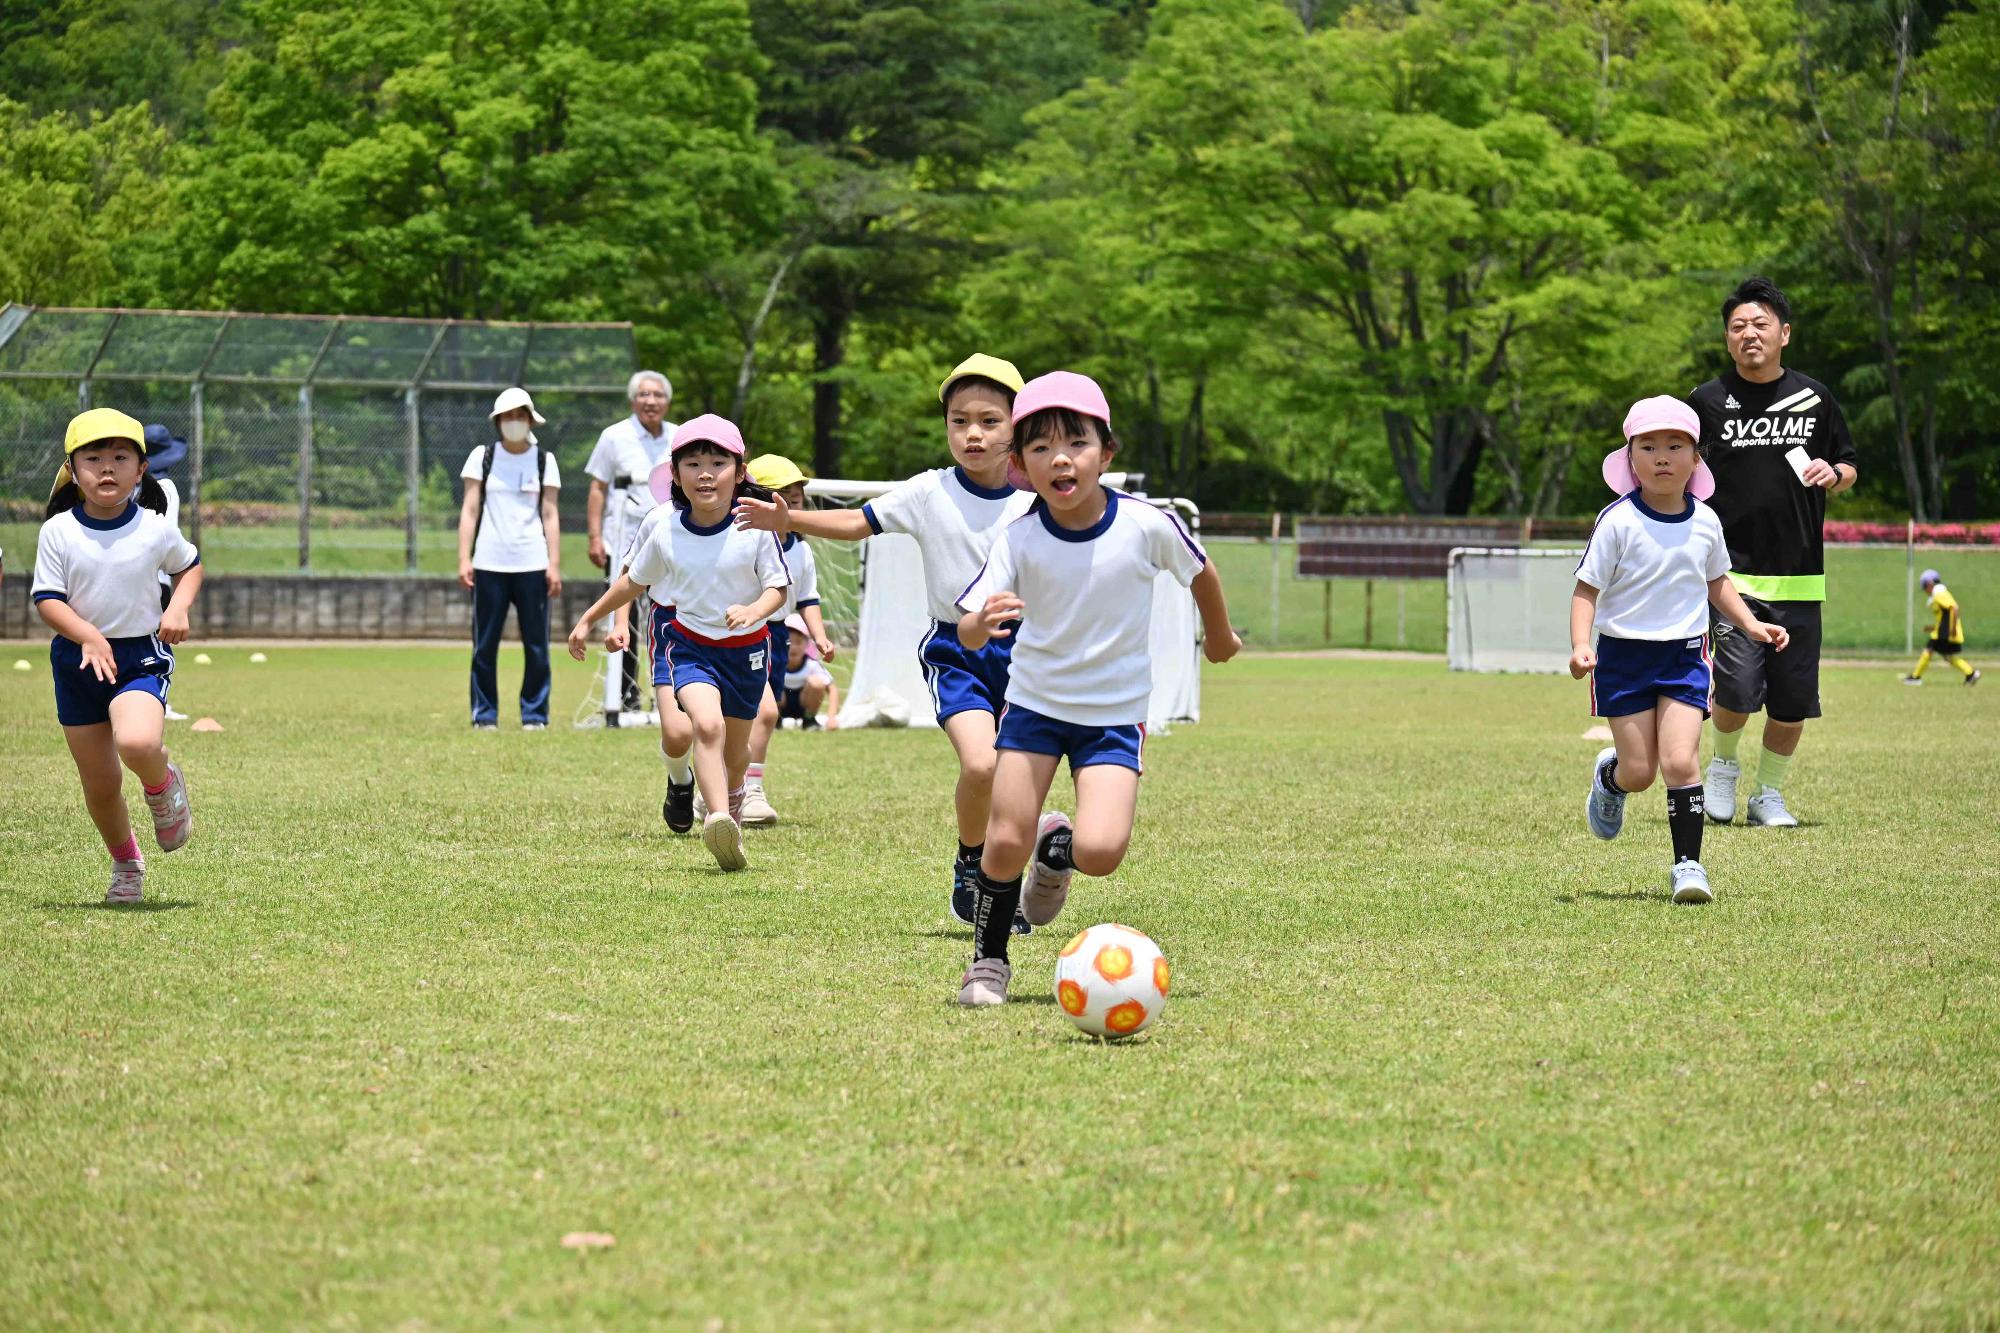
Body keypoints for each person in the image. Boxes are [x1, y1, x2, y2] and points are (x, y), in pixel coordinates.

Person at [952, 372, 1240, 1006]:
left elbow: (1201, 571)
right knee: (1002, 841)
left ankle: (1058, 851)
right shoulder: (1019, 537)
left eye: (1076, 442)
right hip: (1033, 710)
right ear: (1021, 464)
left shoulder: (1146, 525)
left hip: (1112, 717)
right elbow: (970, 628)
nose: (1060, 458)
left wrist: (1218, 636)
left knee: (1103, 851)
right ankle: (988, 961)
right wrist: (977, 623)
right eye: (1040, 447)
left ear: (1106, 453)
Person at [735, 354, 1038, 930]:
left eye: (990, 421)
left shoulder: (1038, 499)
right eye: (958, 420)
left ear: (1018, 426)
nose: (972, 433)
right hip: (958, 653)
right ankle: (970, 871)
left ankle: (1005, 884)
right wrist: (791, 522)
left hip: (1030, 655)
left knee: (1018, 779)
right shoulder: (929, 491)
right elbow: (858, 523)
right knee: (981, 765)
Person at [1569, 397, 1791, 905]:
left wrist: (1753, 624)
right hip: (1624, 660)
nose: (1662, 457)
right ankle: (1610, 778)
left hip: (1686, 658)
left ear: (1696, 459)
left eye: (1675, 446)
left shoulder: (1707, 522)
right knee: (1640, 772)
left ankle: (1689, 867)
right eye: (1648, 447)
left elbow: (1717, 583)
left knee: (1681, 762)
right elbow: (1587, 589)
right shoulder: (1617, 521)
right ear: (1630, 459)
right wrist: (1582, 646)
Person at [566, 415, 789, 872]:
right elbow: (632, 582)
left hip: (746, 650)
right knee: (704, 727)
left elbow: (778, 588)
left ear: (740, 472)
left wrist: (755, 611)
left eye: (717, 462)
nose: (705, 472)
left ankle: (731, 803)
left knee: (735, 750)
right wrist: (591, 616)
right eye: (692, 463)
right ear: (675, 475)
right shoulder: (665, 527)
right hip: (689, 645)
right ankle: (720, 819)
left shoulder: (756, 526)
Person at [1688, 277, 1858, 828]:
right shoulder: (1706, 402)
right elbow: (1674, 469)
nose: (1748, 334)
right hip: (1730, 577)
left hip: (1802, 578)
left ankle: (1768, 795)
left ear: (1784, 333)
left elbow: (1849, 464)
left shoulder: (1815, 397)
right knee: (1735, 689)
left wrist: (1834, 473)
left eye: (1760, 324)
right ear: (1727, 338)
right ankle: (1722, 767)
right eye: (1738, 327)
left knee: (1792, 701)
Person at [31, 408, 203, 905]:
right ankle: (126, 863)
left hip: (136, 657)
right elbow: (48, 599)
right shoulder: (57, 531)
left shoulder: (153, 528)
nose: (107, 468)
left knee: (139, 742)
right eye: (94, 457)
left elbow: (188, 567)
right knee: (101, 783)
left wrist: (180, 607)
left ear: (141, 469)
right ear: (73, 467)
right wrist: (86, 635)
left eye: (120, 457)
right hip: (78, 661)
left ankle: (163, 786)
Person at [724, 453, 837, 826]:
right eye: (783, 493)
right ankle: (750, 791)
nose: (793, 500)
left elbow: (807, 599)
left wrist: (819, 637)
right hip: (743, 635)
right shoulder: (745, 540)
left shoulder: (802, 551)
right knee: (764, 712)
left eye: (797, 493)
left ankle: (723, 787)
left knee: (747, 720)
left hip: (776, 635)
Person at [458, 387, 562, 730]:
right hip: (489, 563)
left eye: (521, 416)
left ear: (531, 420)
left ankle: (535, 715)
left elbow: (550, 514)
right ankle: (484, 715)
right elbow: (470, 510)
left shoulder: (544, 460)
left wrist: (554, 563)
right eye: (508, 416)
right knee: (483, 646)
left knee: (537, 646)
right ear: (497, 421)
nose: (514, 422)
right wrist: (464, 558)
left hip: (533, 564)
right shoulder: (482, 457)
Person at [585, 371, 678, 715]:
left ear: (667, 401)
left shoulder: (680, 436)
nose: (650, 401)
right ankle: (625, 699)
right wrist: (595, 537)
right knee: (624, 622)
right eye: (643, 394)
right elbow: (598, 488)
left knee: (669, 616)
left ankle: (670, 693)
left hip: (672, 542)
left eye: (657, 395)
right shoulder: (614, 436)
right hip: (623, 542)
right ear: (631, 400)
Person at [143, 424, 192, 720]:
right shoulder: (167, 487)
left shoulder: (131, 488)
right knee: (156, 643)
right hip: (159, 576)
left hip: (125, 574)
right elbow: (169, 536)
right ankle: (157, 701)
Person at [1904, 569, 1980, 686]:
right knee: (1947, 656)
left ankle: (1915, 677)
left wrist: (1953, 629)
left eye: (1924, 586)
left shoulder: (1939, 593)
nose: (1925, 590)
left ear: (1930, 583)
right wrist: (1934, 627)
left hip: (1946, 632)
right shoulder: (1939, 593)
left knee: (1929, 650)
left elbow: (1954, 608)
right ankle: (1971, 673)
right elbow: (1945, 616)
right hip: (1943, 631)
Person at [776, 613, 841, 726]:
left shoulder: (812, 665)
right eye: (789, 642)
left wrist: (832, 718)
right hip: (780, 704)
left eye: (798, 642)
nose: (793, 647)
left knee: (817, 682)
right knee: (767, 683)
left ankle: (809, 720)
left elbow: (832, 688)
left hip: (803, 702)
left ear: (807, 644)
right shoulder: (775, 664)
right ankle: (775, 719)